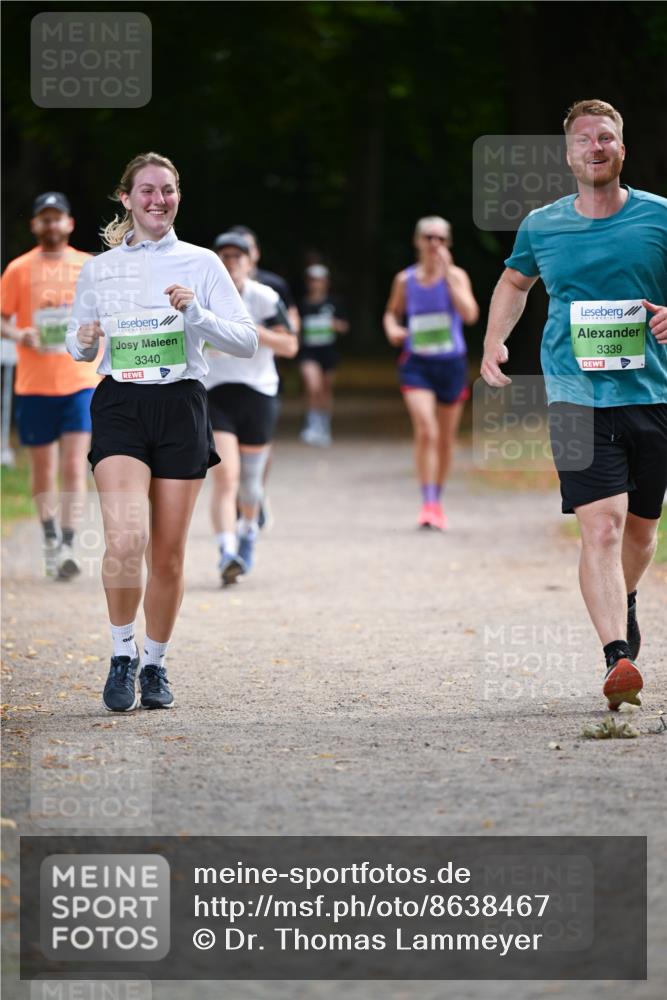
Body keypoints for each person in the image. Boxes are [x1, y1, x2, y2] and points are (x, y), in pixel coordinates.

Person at [480, 99, 667, 710]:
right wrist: (494, 341)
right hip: (574, 396)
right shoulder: (543, 224)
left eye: (605, 137)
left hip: (654, 395)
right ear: (567, 155)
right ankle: (617, 656)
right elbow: (515, 281)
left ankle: (626, 598)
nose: (595, 147)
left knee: (642, 531)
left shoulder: (659, 217)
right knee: (603, 527)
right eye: (583, 139)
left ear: (622, 149)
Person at [65, 153, 257, 712]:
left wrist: (197, 314)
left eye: (167, 190)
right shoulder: (100, 269)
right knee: (126, 541)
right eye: (146, 190)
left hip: (181, 405)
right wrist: (83, 340)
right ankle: (121, 654)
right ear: (126, 198)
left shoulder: (201, 263)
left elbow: (246, 340)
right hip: (121, 405)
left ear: (178, 196)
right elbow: (77, 346)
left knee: (168, 555)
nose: (158, 199)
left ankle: (155, 663)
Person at [0, 192, 99, 579]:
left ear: (70, 224)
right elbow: (2, 317)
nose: (52, 224)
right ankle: (50, 538)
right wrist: (19, 334)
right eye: (45, 218)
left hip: (80, 381)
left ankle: (69, 545)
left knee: (74, 465)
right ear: (35, 225)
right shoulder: (19, 269)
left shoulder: (87, 266)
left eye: (58, 218)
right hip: (35, 385)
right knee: (44, 469)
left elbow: (106, 311)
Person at [203, 232, 297, 584]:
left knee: (250, 484)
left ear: (250, 261)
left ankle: (247, 535)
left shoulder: (264, 297)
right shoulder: (202, 298)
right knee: (225, 476)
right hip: (216, 394)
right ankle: (226, 551)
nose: (231, 262)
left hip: (258, 393)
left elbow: (290, 346)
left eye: (237, 256)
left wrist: (252, 332)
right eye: (224, 256)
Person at [383, 216, 479, 530]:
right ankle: (427, 503)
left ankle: (437, 499)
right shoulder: (405, 280)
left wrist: (449, 276)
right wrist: (392, 329)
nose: (434, 243)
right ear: (417, 241)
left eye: (440, 238)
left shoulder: (457, 276)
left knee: (445, 439)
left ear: (448, 243)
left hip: (451, 364)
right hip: (417, 364)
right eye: (428, 237)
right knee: (427, 430)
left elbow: (470, 314)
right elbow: (391, 313)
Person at [298, 263, 349, 447]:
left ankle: (324, 425)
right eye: (313, 280)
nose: (316, 284)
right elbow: (296, 328)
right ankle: (312, 424)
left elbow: (345, 327)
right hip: (308, 352)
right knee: (313, 386)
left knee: (326, 388)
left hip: (328, 352)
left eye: (319, 280)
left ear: (326, 282)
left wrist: (334, 324)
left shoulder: (334, 303)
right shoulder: (302, 304)